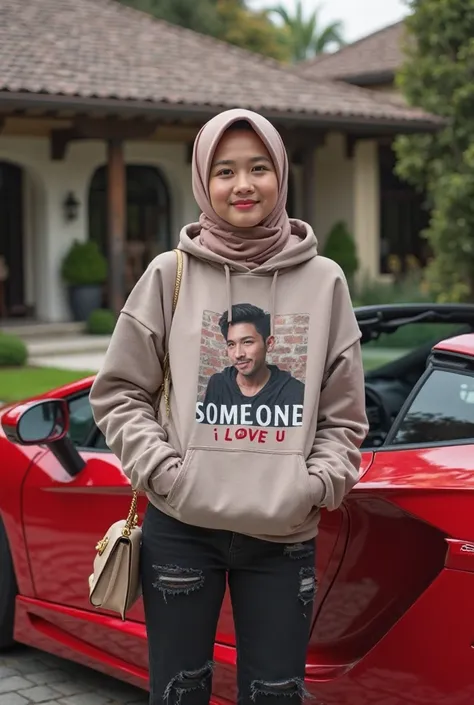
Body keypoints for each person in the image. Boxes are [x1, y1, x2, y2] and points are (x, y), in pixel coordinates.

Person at [90, 108, 368, 705]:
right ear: (202, 181)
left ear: (281, 175)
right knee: (180, 692)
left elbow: (344, 412)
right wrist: (167, 472)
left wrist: (317, 483)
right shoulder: (171, 274)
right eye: (225, 170)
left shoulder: (325, 282)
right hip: (182, 530)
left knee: (276, 693)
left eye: (258, 168)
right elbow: (118, 392)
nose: (243, 184)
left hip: (283, 532)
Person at [199, 302, 305, 428]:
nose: (238, 354)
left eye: (247, 342)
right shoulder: (218, 383)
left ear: (269, 343)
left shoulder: (293, 391)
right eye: (231, 344)